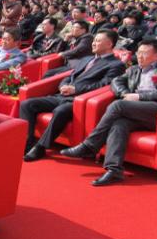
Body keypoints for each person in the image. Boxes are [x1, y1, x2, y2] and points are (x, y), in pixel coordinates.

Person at [60, 39, 157, 186]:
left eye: (144, 53)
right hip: (136, 110)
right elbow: (116, 82)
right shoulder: (133, 69)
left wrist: (139, 96)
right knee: (119, 124)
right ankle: (114, 170)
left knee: (118, 105)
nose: (140, 56)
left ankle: (90, 145)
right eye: (139, 52)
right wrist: (125, 94)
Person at [21, 29, 125, 161]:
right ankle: (27, 143)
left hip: (79, 101)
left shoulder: (116, 64)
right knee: (27, 104)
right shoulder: (87, 59)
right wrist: (63, 86)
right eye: (94, 40)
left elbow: (104, 85)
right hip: (62, 95)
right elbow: (70, 75)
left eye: (98, 41)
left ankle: (40, 147)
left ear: (109, 44)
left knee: (60, 111)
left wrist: (75, 89)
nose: (93, 43)